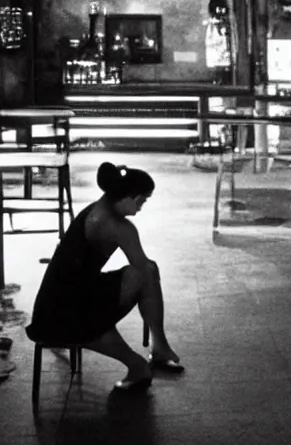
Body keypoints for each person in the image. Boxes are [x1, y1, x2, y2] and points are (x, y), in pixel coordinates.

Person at [26, 162, 182, 391]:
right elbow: (143, 272)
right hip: (60, 314)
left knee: (147, 270)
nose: (141, 207)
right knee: (145, 272)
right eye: (142, 200)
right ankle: (139, 363)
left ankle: (159, 347)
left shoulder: (99, 207)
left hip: (60, 298)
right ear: (131, 196)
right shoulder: (117, 226)